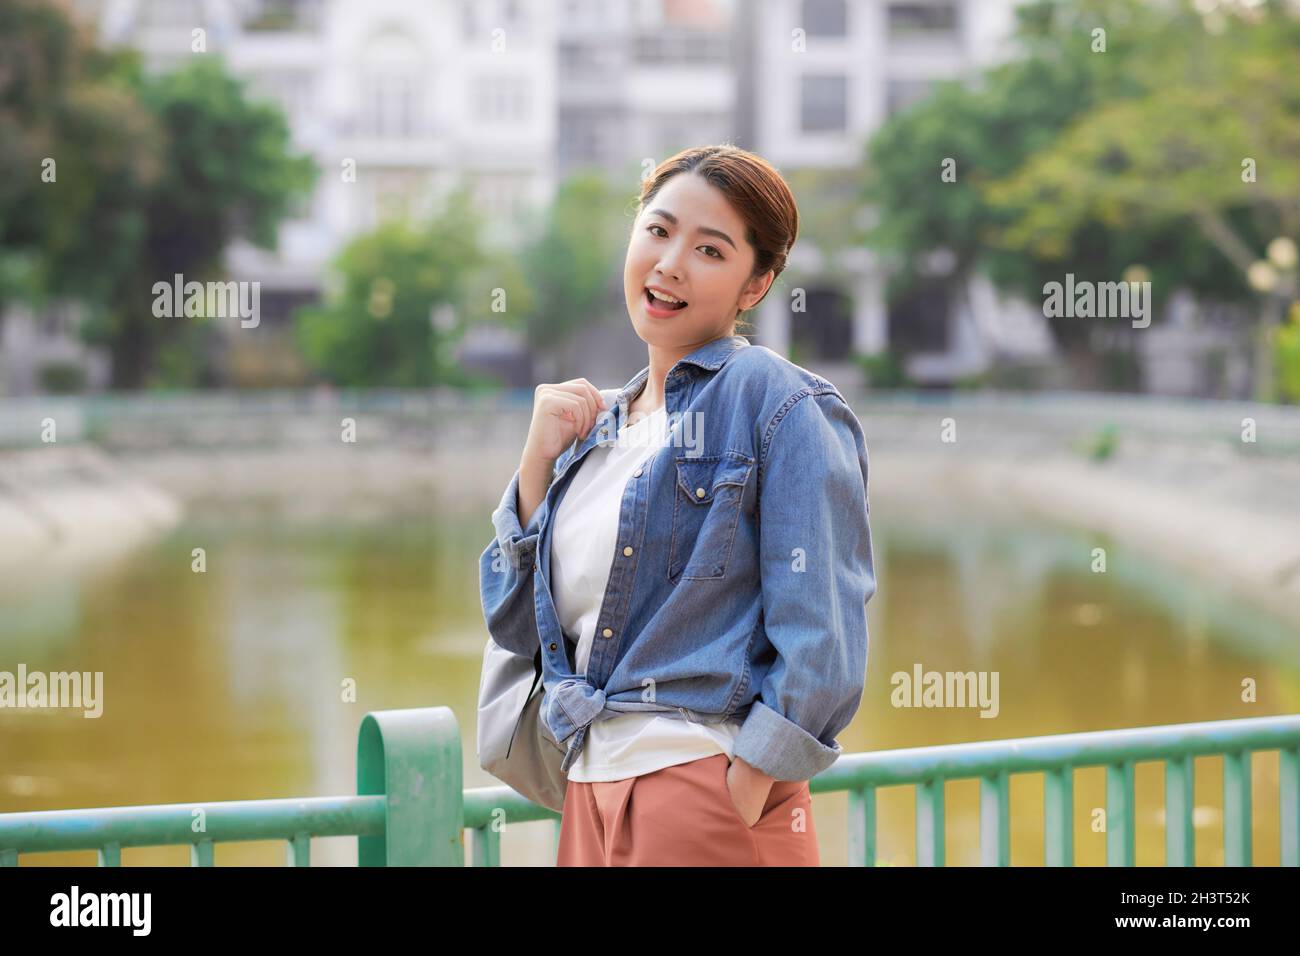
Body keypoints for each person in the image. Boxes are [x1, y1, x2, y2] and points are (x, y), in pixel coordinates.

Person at [478, 143, 876, 866]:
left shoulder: (778, 402)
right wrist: (535, 465)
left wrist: (745, 781)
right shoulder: (592, 428)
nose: (670, 263)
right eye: (658, 231)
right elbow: (515, 628)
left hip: (696, 791)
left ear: (754, 285)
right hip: (588, 791)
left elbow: (825, 625)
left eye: (710, 250)